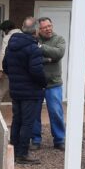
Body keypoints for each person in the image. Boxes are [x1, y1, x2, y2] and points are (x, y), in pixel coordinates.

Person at [3, 17, 47, 165]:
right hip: (31, 91)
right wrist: (43, 83)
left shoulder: (11, 45)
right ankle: (22, 154)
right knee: (27, 123)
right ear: (35, 31)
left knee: (17, 120)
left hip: (15, 89)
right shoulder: (33, 48)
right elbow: (37, 71)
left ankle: (13, 151)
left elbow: (6, 67)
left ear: (22, 28)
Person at [31, 17, 66, 152]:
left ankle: (59, 139)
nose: (48, 29)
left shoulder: (59, 39)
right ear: (39, 29)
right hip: (36, 83)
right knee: (34, 112)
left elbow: (58, 53)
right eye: (45, 27)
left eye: (49, 26)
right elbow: (33, 57)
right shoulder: (33, 39)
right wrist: (48, 58)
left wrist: (41, 48)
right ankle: (35, 139)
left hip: (54, 83)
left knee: (56, 112)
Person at [0, 20, 19, 104]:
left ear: (7, 29)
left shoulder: (7, 38)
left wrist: (1, 70)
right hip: (21, 71)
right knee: (18, 93)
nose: (4, 33)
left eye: (3, 30)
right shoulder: (23, 34)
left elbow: (3, 54)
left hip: (9, 70)